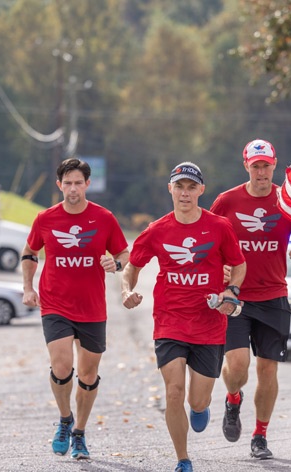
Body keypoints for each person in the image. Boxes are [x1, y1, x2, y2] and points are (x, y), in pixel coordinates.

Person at [121, 162, 247, 472]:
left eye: (192, 187)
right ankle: (183, 459)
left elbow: (239, 264)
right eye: (180, 186)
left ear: (201, 190)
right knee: (173, 391)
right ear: (171, 189)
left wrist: (231, 290)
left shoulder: (219, 227)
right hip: (170, 321)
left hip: (209, 324)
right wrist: (126, 291)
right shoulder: (157, 229)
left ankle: (202, 408)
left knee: (198, 402)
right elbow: (133, 266)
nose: (185, 193)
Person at [209, 139, 291, 459]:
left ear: (274, 165)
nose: (261, 171)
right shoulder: (227, 201)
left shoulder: (287, 200)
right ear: (246, 166)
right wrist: (219, 272)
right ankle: (232, 398)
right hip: (237, 296)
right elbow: (207, 238)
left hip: (274, 295)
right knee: (238, 366)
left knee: (268, 370)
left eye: (266, 165)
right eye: (255, 166)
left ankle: (260, 435)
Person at [21, 157, 129, 461]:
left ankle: (79, 432)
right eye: (67, 183)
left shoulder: (103, 218)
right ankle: (65, 419)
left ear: (87, 185)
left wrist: (116, 263)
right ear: (59, 186)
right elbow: (30, 251)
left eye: (78, 183)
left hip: (92, 307)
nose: (72, 188)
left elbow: (124, 252)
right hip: (55, 303)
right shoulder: (45, 219)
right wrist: (29, 288)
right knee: (61, 366)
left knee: (88, 372)